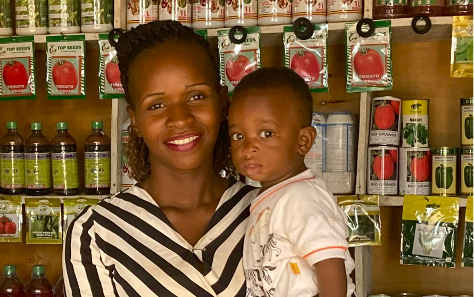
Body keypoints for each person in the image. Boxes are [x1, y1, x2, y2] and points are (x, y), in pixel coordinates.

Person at [62, 20, 259, 297]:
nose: (180, 118)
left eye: (196, 96)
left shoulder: (268, 210)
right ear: (136, 122)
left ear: (222, 103)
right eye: (156, 105)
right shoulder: (96, 233)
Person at [228, 67, 356, 297]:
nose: (248, 148)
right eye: (239, 136)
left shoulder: (301, 196)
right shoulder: (270, 196)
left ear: (303, 141)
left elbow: (329, 263)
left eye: (266, 133)